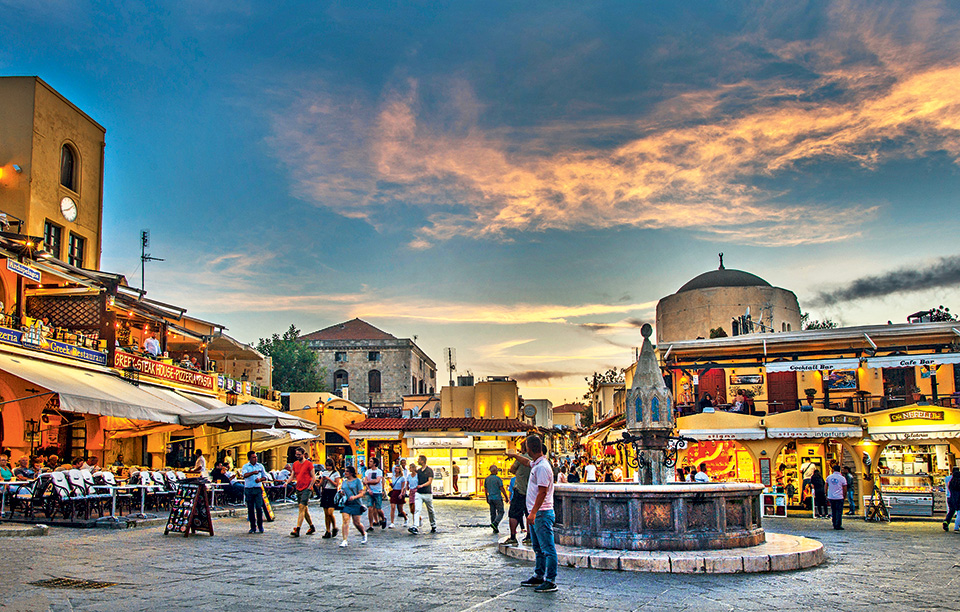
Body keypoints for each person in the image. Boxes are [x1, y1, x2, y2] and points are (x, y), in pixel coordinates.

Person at [515, 435, 558, 593]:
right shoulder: (537, 463)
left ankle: (551, 580)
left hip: (541, 513)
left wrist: (532, 513)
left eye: (525, 447)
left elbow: (542, 492)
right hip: (537, 513)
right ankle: (539, 575)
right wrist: (514, 456)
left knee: (547, 548)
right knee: (538, 548)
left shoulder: (541, 467)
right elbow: (527, 462)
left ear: (529, 448)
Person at [504, 440, 532, 546]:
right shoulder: (535, 459)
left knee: (514, 514)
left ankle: (512, 537)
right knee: (529, 514)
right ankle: (529, 536)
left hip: (520, 489)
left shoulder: (521, 458)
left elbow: (512, 470)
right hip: (531, 491)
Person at [286, 446, 317, 537]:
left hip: (306, 488)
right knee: (304, 509)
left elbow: (313, 477)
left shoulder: (308, 464)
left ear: (303, 454)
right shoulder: (295, 464)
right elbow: (292, 475)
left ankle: (298, 529)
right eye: (296, 454)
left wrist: (310, 487)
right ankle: (312, 526)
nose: (297, 456)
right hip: (298, 488)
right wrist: (287, 482)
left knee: (301, 507)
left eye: (299, 454)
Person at [338, 465, 367, 547]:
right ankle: (344, 540)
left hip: (356, 503)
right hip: (346, 503)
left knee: (356, 523)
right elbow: (342, 489)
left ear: (351, 473)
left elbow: (362, 493)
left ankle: (364, 533)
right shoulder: (344, 481)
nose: (345, 473)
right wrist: (341, 493)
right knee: (345, 520)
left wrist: (354, 497)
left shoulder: (357, 481)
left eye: (347, 471)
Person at [240, 451, 268, 534]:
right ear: (249, 458)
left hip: (257, 488)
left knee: (259, 508)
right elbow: (244, 475)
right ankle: (252, 527)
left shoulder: (260, 466)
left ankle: (260, 526)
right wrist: (253, 473)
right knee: (250, 508)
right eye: (253, 457)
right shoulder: (245, 466)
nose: (255, 459)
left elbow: (265, 476)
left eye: (256, 457)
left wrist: (260, 480)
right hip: (249, 489)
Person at [409, 455, 436, 534]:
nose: (418, 461)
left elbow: (429, 481)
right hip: (419, 493)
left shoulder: (429, 470)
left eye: (419, 460)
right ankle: (415, 526)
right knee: (417, 509)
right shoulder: (419, 471)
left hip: (427, 493)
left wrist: (421, 485)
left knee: (430, 510)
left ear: (423, 461)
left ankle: (433, 524)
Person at [317, 459, 341, 538]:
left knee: (330, 512)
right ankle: (327, 530)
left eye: (329, 466)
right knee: (326, 513)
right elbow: (321, 484)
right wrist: (321, 481)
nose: (328, 467)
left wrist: (329, 479)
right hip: (325, 492)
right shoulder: (324, 472)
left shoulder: (336, 473)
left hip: (332, 492)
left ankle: (334, 527)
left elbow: (336, 484)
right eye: (327, 466)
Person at [484, 465, 508, 533]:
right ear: (494, 471)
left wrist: (487, 497)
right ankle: (495, 523)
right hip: (497, 498)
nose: (497, 471)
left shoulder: (487, 479)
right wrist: (506, 497)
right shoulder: (498, 479)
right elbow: (501, 488)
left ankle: (494, 528)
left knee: (493, 513)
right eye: (497, 470)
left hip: (490, 498)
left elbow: (485, 489)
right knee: (501, 512)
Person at [363, 457, 386, 530]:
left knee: (378, 509)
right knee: (370, 508)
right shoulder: (367, 472)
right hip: (370, 492)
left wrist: (368, 482)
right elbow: (365, 481)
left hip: (377, 491)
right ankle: (371, 525)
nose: (369, 462)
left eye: (371, 461)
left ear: (374, 463)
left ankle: (383, 518)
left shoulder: (379, 471)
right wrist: (368, 489)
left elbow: (377, 481)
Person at [825, 464, 847, 530]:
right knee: (839, 511)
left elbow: (826, 486)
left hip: (831, 496)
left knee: (833, 510)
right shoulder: (842, 478)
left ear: (833, 470)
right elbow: (845, 488)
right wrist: (844, 496)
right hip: (839, 496)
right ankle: (838, 524)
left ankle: (834, 523)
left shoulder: (829, 477)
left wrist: (826, 494)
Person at [388, 464, 408, 528]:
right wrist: (391, 485)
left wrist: (401, 494)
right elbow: (393, 485)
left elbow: (403, 487)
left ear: (400, 470)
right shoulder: (393, 477)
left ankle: (406, 518)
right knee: (392, 507)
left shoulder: (402, 478)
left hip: (399, 492)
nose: (395, 470)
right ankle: (392, 522)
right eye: (395, 468)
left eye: (397, 468)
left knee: (400, 510)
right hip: (394, 492)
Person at [943, 467, 960, 531]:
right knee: (958, 512)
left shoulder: (947, 478)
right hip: (956, 497)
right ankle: (957, 525)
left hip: (949, 496)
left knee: (951, 511)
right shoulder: (957, 479)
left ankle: (946, 522)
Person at [405, 463, 419, 529]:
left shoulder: (417, 476)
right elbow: (407, 484)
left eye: (411, 468)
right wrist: (406, 488)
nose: (410, 469)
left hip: (416, 491)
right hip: (411, 491)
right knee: (411, 509)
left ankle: (415, 523)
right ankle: (418, 518)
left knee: (414, 507)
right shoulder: (409, 476)